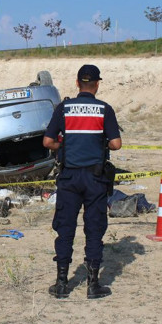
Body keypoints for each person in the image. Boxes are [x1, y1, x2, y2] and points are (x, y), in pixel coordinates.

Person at [43, 64, 122, 299]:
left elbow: (47, 142)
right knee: (94, 230)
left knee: (65, 229)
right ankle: (93, 285)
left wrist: (64, 146)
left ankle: (61, 284)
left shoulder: (63, 108)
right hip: (95, 178)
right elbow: (116, 144)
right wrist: (100, 144)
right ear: (97, 84)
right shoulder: (104, 109)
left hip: (68, 177)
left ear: (77, 83)